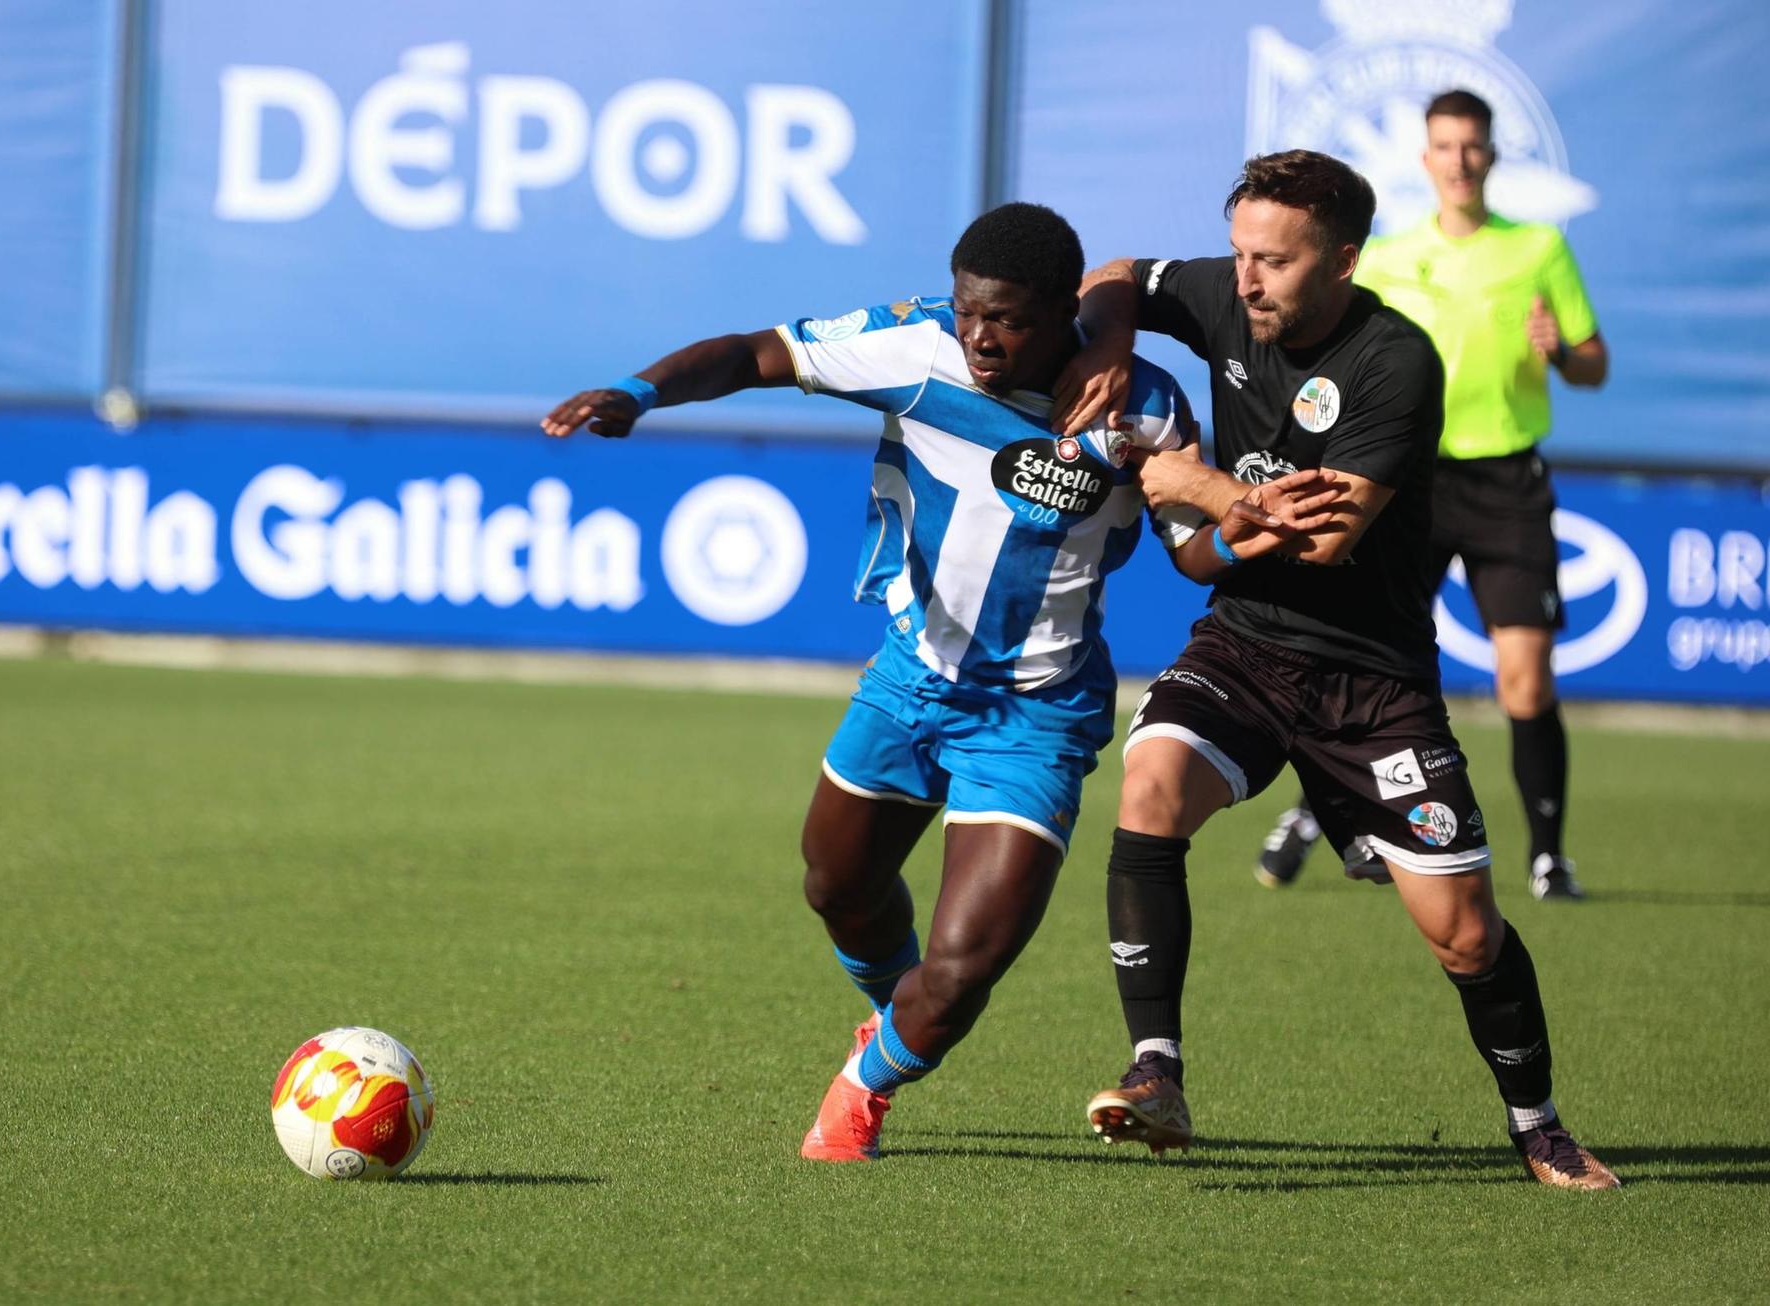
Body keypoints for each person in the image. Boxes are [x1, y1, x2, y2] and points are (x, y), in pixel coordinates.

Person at [541, 202, 1338, 1163]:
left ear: (1063, 313)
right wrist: (638, 390)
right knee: (837, 886)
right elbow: (755, 353)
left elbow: (1191, 554)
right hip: (908, 682)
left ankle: (864, 1087)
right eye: (967, 312)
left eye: (1003, 319)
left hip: (1038, 715)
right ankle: (895, 1017)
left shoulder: (1145, 406)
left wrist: (1240, 534)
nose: (978, 337)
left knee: (963, 972)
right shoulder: (915, 346)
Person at [1050, 151, 1618, 1188]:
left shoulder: (1393, 361)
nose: (1245, 279)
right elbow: (1119, 269)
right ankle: (1154, 1072)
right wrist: (1114, 340)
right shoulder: (1226, 293)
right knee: (1149, 783)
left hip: (1371, 680)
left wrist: (1196, 482)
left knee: (1461, 934)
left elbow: (1319, 539)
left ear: (1344, 260)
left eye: (1272, 260)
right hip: (1243, 643)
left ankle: (1536, 1123)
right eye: (1237, 254)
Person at [1253, 89, 1610, 901]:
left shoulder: (1539, 248)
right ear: (1425, 157)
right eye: (1444, 146)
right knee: (1361, 658)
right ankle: (1318, 811)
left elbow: (1595, 364)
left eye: (1473, 146)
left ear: (1490, 154)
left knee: (1527, 678)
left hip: (1507, 483)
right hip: (1404, 482)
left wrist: (1563, 354)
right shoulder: (1385, 257)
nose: (1459, 160)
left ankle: (1549, 857)